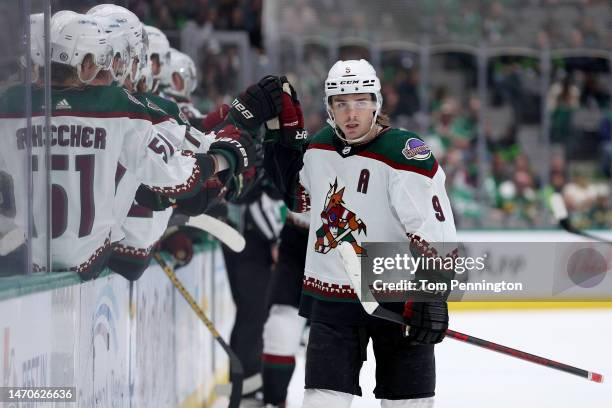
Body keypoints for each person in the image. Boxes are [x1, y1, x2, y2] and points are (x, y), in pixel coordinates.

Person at [263, 60, 457, 407]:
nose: (352, 113)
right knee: (322, 401)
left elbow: (436, 230)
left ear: (376, 103)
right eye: (341, 103)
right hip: (332, 301)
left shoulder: (406, 153)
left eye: (361, 102)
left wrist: (432, 295)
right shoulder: (319, 148)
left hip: (398, 300)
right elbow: (299, 199)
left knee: (407, 403)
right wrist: (280, 141)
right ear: (329, 108)